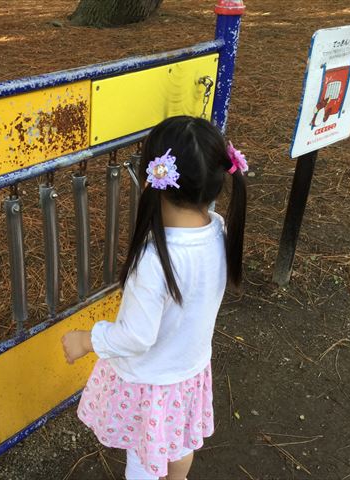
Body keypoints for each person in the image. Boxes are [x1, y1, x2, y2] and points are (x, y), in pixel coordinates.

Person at [61, 116, 247, 480]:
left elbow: (136, 337)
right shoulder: (218, 230)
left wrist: (87, 339)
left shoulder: (154, 261)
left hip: (152, 384)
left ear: (154, 177)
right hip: (188, 373)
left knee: (144, 457)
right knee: (178, 445)